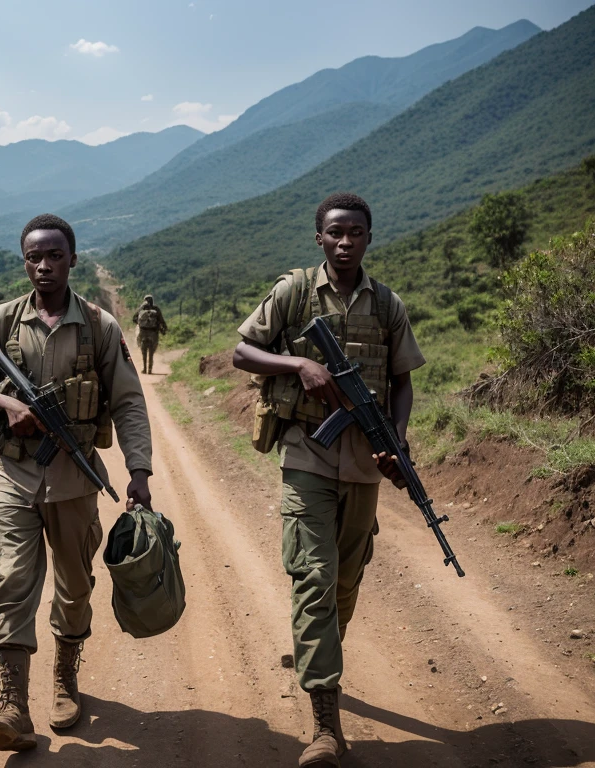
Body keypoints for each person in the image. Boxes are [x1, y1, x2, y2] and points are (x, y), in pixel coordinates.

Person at [232, 193, 425, 768]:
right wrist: (298, 364)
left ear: (369, 237)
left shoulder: (387, 304)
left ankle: (315, 646)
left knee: (345, 580)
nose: (346, 242)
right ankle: (324, 724)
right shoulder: (292, 293)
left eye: (357, 232)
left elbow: (402, 379)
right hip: (305, 456)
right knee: (313, 577)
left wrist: (396, 436)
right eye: (336, 233)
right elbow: (242, 351)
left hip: (365, 460)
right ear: (319, 238)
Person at [0, 213, 153, 752]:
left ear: (71, 258)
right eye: (33, 257)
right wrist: (4, 402)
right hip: (12, 474)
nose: (43, 266)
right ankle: (12, 703)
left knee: (74, 586)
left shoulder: (98, 326)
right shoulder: (1, 320)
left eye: (54, 256)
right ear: (24, 261)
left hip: (73, 481)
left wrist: (139, 470)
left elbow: (129, 402)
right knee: (11, 580)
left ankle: (66, 675)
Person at [132, 294, 167, 374]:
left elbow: (134, 319)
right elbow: (161, 320)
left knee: (143, 351)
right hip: (153, 333)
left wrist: (140, 324)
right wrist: (164, 328)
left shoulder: (141, 308)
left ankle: (144, 369)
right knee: (151, 352)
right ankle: (150, 369)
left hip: (143, 332)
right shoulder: (156, 309)